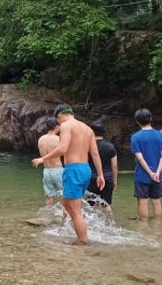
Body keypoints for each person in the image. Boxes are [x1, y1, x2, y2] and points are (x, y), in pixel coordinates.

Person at [32, 104, 104, 244]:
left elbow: (63, 148)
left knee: (76, 211)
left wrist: (43, 158)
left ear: (59, 116)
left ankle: (82, 241)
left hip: (73, 169)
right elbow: (95, 154)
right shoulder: (88, 129)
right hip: (86, 169)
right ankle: (77, 228)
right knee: (66, 202)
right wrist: (100, 175)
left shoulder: (66, 126)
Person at [131, 108, 162, 220]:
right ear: (151, 119)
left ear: (137, 121)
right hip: (157, 175)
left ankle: (143, 226)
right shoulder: (160, 135)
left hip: (142, 174)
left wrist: (150, 173)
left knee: (143, 202)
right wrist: (157, 172)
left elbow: (140, 158)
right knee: (156, 201)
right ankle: (157, 224)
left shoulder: (135, 137)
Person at [86, 120, 118, 214]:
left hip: (91, 178)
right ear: (104, 131)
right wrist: (114, 180)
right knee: (105, 204)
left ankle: (89, 224)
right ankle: (107, 224)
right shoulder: (110, 146)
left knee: (89, 204)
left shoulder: (87, 146)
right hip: (107, 178)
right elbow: (114, 166)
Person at [36, 117, 63, 206]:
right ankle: (65, 216)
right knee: (65, 195)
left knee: (49, 196)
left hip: (46, 171)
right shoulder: (58, 139)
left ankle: (48, 216)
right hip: (58, 170)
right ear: (56, 126)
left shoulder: (41, 139)